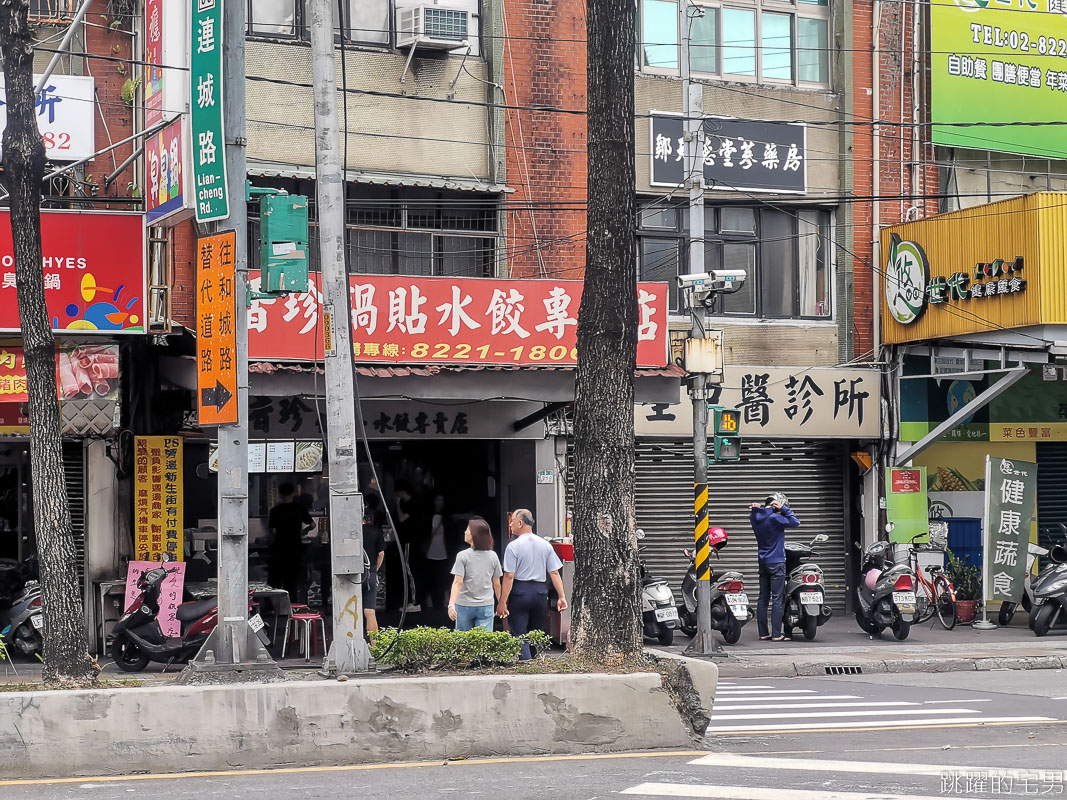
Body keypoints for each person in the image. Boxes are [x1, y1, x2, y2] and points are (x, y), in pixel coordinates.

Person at [497, 509, 568, 660]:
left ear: (520, 523)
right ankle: (535, 662)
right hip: (540, 592)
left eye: (513, 521)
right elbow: (554, 573)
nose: (510, 524)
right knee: (535, 632)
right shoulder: (545, 545)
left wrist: (502, 602)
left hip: (520, 591)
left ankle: (526, 663)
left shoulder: (513, 546)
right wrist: (562, 597)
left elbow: (509, 576)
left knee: (519, 632)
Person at [749, 492, 801, 642]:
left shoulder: (754, 517)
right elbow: (795, 522)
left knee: (763, 598)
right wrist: (784, 509)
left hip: (763, 562)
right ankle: (777, 634)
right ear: (775, 505)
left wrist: (756, 509)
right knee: (777, 598)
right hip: (777, 562)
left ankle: (763, 633)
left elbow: (758, 513)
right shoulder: (776, 518)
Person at [447, 517, 503, 631]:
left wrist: (451, 604)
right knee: (483, 642)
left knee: (463, 642)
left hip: (464, 605)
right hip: (486, 604)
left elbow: (458, 582)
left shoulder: (462, 556)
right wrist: (501, 603)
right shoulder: (493, 556)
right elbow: (497, 583)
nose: (465, 532)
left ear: (474, 535)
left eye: (467, 530)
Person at [268, 482, 315, 601]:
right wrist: (303, 532)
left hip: (279, 547)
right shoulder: (299, 508)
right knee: (292, 580)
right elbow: (313, 524)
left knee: (276, 580)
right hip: (295, 547)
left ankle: (275, 607)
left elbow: (272, 531)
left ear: (279, 493)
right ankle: (292, 605)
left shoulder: (275, 510)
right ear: (293, 493)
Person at [424, 494, 454, 610]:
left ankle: (445, 599)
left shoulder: (447, 517)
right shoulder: (428, 516)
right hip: (430, 551)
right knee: (431, 577)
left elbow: (451, 535)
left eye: (441, 499)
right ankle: (430, 599)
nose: (439, 502)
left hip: (445, 552)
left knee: (444, 577)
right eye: (437, 499)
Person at [362, 495, 386, 634]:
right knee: (370, 612)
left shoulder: (348, 533)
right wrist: (374, 570)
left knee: (350, 610)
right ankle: (375, 647)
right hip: (369, 573)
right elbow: (381, 554)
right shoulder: (375, 531)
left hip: (352, 575)